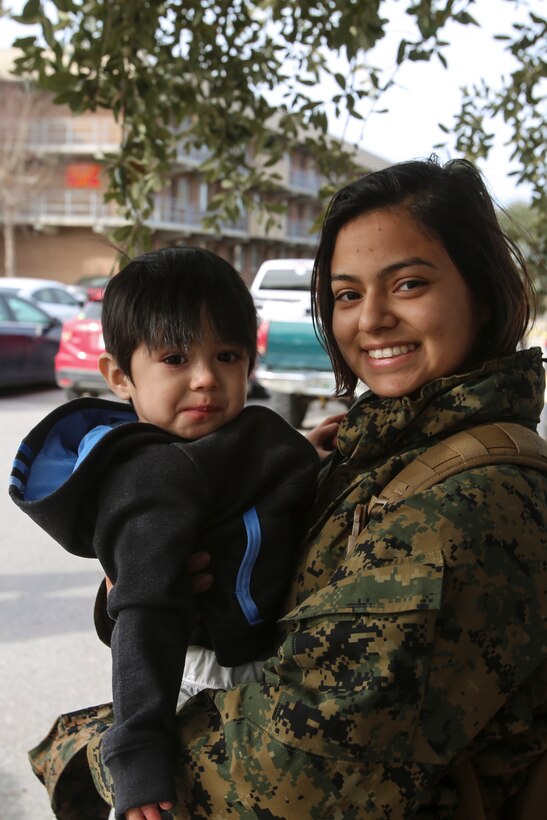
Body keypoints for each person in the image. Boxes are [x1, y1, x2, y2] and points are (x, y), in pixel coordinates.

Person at [15, 156, 547, 819]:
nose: (370, 318)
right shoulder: (373, 448)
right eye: (347, 294)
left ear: (484, 294)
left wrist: (79, 749)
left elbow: (282, 781)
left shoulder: (470, 504)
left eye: (407, 284)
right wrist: (135, 591)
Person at [9, 245, 321, 819]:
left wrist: (311, 453)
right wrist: (139, 759)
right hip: (210, 682)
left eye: (226, 355)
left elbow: (265, 470)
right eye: (175, 358)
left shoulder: (242, 433)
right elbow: (146, 616)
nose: (206, 379)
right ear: (119, 376)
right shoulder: (152, 474)